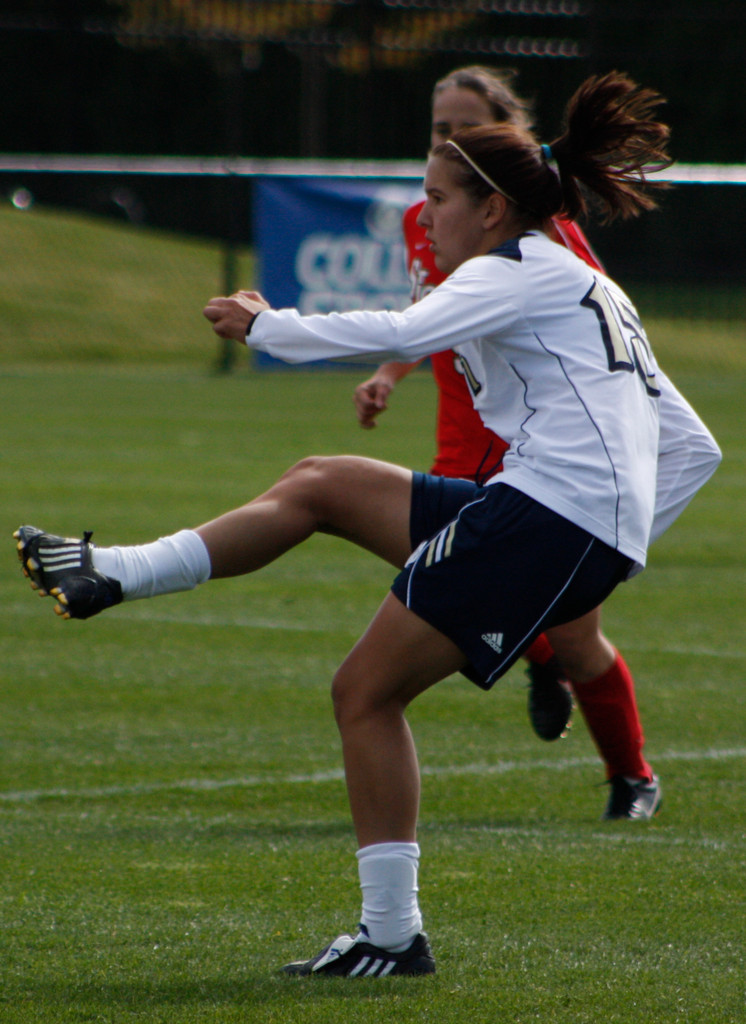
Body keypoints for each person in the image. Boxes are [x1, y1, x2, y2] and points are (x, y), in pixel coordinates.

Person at [15, 72, 720, 978]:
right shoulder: (582, 280)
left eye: (436, 199)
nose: (426, 219)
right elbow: (695, 447)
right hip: (551, 517)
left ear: (494, 209)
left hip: (544, 517)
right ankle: (111, 570)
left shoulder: (517, 269)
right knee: (323, 483)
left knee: (364, 694)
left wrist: (269, 325)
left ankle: (391, 937)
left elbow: (400, 324)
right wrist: (617, 546)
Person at [353, 65, 662, 820]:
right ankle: (538, 658)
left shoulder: (543, 232)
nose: (449, 140)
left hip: (544, 455)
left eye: (464, 127)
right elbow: (428, 314)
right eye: (439, 129)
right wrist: (392, 374)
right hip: (462, 444)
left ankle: (632, 776)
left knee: (577, 635)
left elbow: (595, 329)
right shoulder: (424, 219)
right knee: (441, 582)